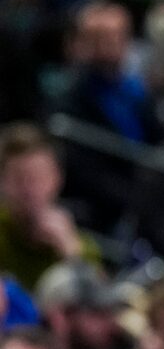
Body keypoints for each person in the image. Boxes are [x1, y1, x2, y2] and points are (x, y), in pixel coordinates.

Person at [0, 122, 99, 290]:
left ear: (57, 179)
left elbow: (98, 305)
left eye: (38, 178)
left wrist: (72, 255)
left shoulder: (81, 246)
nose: (29, 190)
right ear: (2, 181)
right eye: (19, 178)